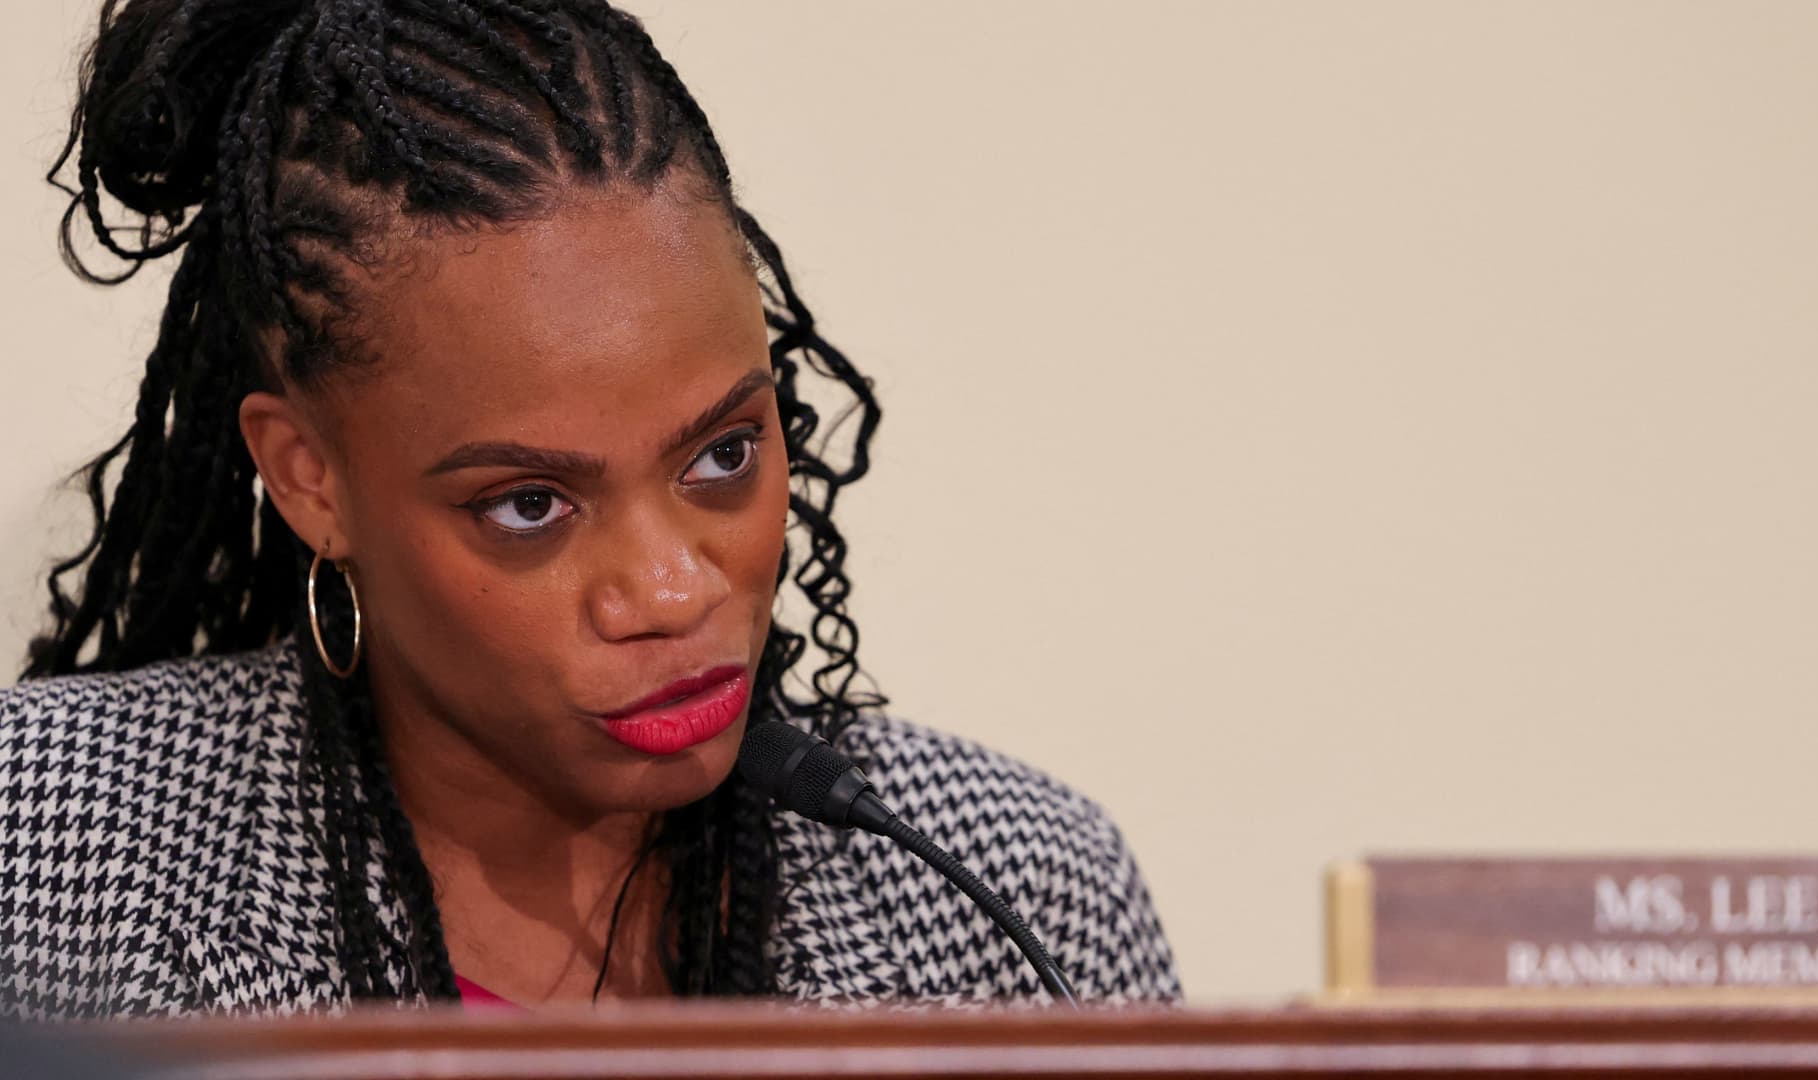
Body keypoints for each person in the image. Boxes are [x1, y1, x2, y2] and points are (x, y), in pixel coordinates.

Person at [0, 0, 1179, 1019]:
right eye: (530, 504)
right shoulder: (46, 864)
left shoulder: (1018, 895)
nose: (671, 589)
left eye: (723, 454)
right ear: (311, 478)